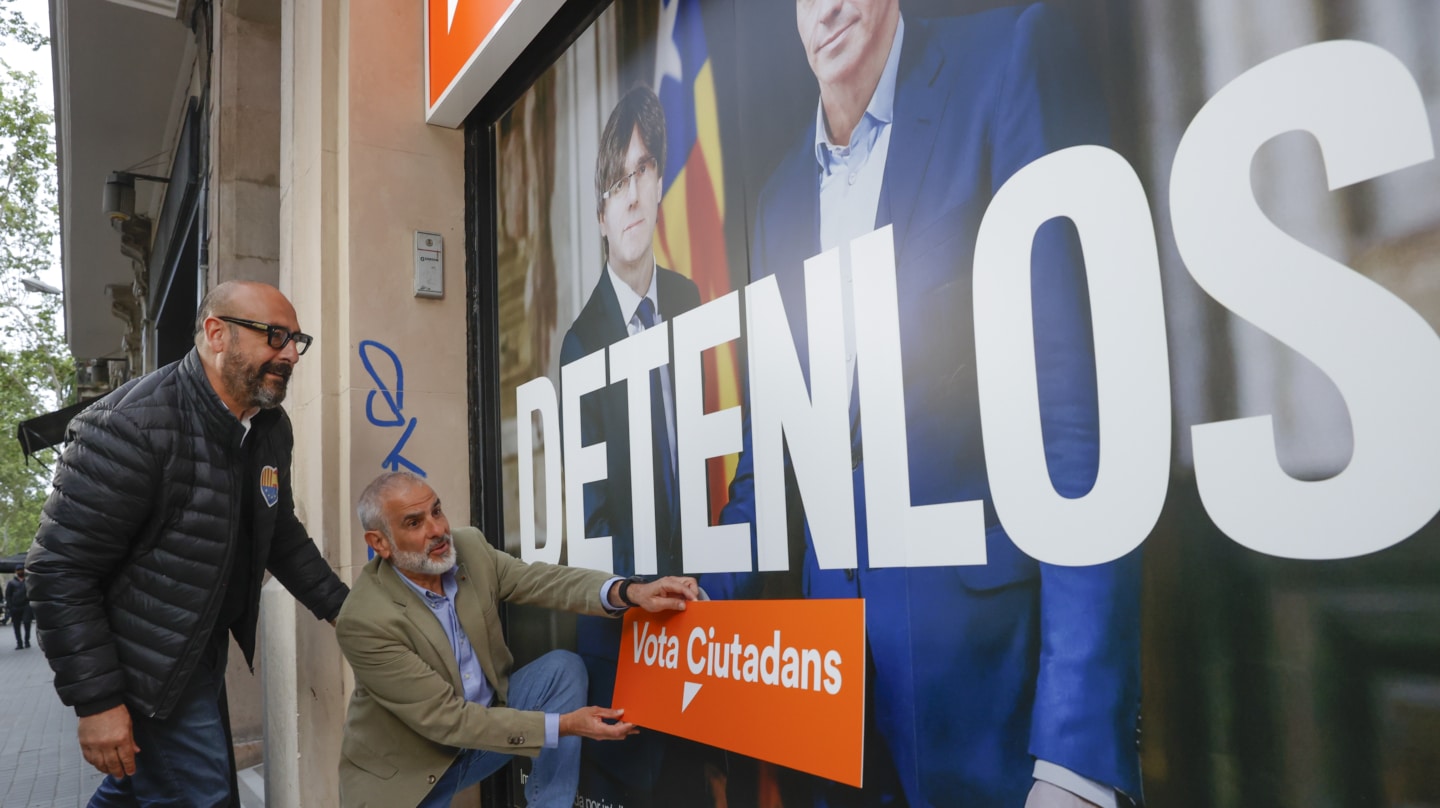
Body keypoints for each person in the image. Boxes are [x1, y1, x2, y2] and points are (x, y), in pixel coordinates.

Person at [708, 1, 1143, 806]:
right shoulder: (777, 204)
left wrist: (1078, 755)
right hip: (829, 718)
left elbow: (1077, 417)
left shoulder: (1010, 60)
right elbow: (770, 471)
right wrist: (681, 607)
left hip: (995, 707)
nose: (830, 7)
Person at [25, 280, 350, 807]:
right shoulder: (130, 427)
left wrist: (343, 610)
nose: (290, 354)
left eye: (296, 340)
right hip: (144, 664)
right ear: (217, 334)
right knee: (206, 797)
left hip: (195, 651)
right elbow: (59, 570)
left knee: (140, 789)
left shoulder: (267, 427)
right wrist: (98, 703)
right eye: (275, 336)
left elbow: (277, 532)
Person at [335, 470, 700, 808]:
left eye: (437, 511)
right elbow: (449, 721)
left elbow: (544, 581)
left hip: (482, 735)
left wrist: (631, 591)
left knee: (561, 670)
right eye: (415, 523)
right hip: (410, 775)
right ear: (379, 542)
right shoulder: (364, 620)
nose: (437, 530)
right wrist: (565, 725)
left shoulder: (469, 548)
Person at [557, 84, 709, 803]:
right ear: (600, 215)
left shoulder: (689, 300)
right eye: (617, 181)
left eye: (643, 170)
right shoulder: (581, 343)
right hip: (630, 636)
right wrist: (647, 597)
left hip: (705, 620)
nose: (632, 194)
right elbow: (590, 522)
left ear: (659, 182)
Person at [5, 568, 32, 649]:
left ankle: (27, 641)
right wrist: (10, 606)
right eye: (18, 570)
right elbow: (8, 595)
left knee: (27, 623)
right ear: (16, 572)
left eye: (21, 570)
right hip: (15, 607)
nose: (20, 572)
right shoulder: (11, 583)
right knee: (16, 625)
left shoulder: (28, 581)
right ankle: (19, 643)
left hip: (26, 606)